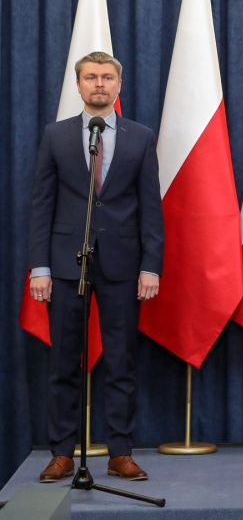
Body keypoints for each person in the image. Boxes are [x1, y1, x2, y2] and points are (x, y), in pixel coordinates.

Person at [28, 51, 164, 483]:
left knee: (121, 361)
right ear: (79, 85)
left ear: (118, 86)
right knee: (64, 363)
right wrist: (40, 268)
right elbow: (42, 205)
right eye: (91, 77)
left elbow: (150, 208)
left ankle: (120, 452)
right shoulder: (57, 136)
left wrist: (151, 265)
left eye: (107, 77)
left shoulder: (141, 138)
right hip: (68, 266)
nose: (99, 84)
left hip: (124, 267)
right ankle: (62, 453)